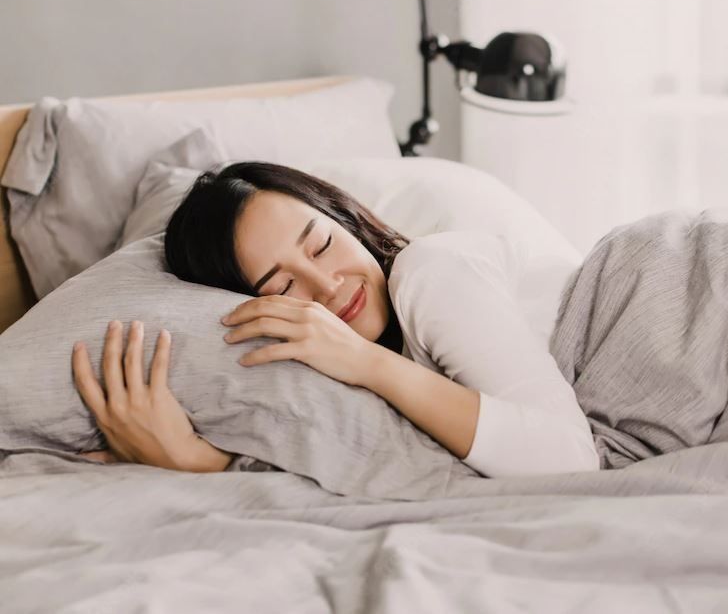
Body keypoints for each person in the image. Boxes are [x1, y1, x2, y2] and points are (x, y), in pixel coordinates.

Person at [71, 162, 600, 477]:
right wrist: (200, 461)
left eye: (322, 244)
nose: (328, 286)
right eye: (282, 287)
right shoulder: (344, 386)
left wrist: (366, 361)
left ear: (347, 219)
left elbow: (569, 461)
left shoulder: (430, 272)